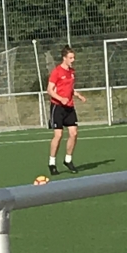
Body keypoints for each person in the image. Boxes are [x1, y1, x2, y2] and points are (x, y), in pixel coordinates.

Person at [47, 46, 87, 175]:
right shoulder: (57, 72)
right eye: (70, 58)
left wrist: (78, 95)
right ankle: (52, 163)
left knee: (74, 133)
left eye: (73, 57)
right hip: (57, 107)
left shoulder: (72, 72)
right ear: (64, 58)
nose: (73, 60)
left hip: (69, 107)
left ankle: (68, 160)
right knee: (58, 135)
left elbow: (69, 89)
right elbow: (50, 90)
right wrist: (60, 99)